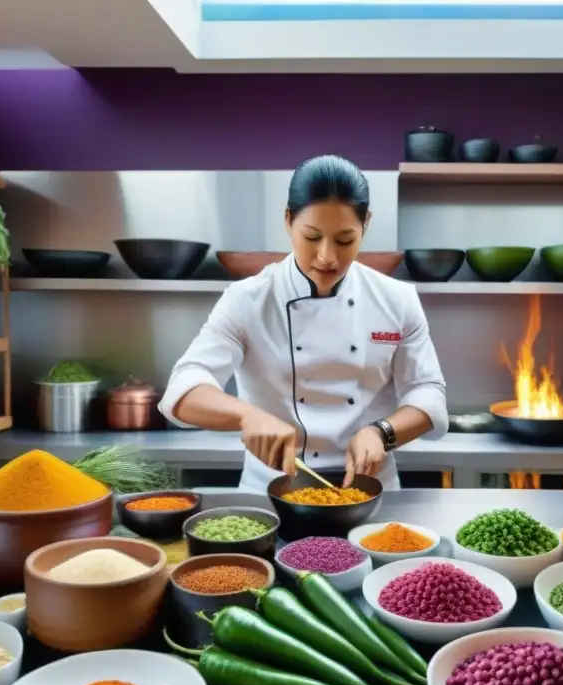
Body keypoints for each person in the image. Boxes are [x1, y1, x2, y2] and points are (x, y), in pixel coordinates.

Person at [159, 154, 448, 492]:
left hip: (370, 490)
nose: (327, 256)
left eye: (344, 240)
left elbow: (428, 393)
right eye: (312, 237)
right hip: (272, 492)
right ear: (288, 221)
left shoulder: (396, 299)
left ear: (365, 225)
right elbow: (183, 388)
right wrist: (246, 415)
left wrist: (382, 432)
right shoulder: (247, 299)